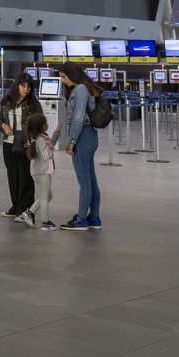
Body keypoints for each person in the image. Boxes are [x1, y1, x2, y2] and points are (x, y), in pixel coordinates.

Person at [54, 62, 103, 231]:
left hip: (83, 137)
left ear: (72, 75)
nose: (63, 81)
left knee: (84, 181)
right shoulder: (83, 88)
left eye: (64, 77)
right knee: (90, 180)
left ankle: (82, 218)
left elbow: (78, 118)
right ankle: (94, 217)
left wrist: (71, 140)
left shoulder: (81, 89)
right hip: (88, 136)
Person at [0, 72, 40, 220]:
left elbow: (40, 124)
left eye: (28, 87)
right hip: (8, 143)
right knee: (12, 176)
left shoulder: (33, 104)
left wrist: (32, 138)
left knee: (26, 177)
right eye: (23, 85)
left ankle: (25, 210)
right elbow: (0, 119)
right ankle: (15, 207)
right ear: (17, 85)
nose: (25, 89)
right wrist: (3, 125)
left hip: (26, 144)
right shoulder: (7, 101)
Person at [21, 113, 57, 231]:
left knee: (47, 195)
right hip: (43, 172)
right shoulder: (41, 140)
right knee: (44, 197)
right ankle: (45, 223)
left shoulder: (37, 138)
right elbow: (47, 155)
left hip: (38, 171)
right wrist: (50, 147)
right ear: (42, 126)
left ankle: (29, 212)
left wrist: (55, 135)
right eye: (45, 123)